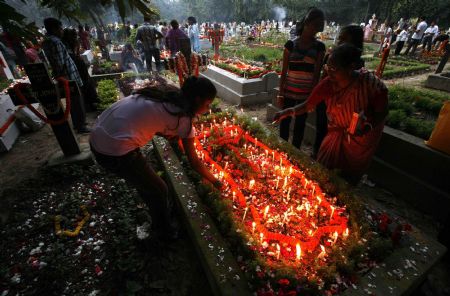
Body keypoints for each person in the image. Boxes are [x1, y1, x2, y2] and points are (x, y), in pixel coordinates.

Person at [89, 76, 222, 241]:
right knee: (160, 189)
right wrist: (217, 182)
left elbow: (152, 120)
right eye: (208, 104)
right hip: (112, 149)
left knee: (146, 183)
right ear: (197, 99)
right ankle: (164, 233)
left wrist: (166, 134)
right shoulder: (183, 119)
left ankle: (154, 207)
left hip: (99, 133)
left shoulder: (165, 94)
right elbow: (194, 162)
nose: (208, 108)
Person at [274, 44, 388, 185]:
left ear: (351, 67)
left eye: (334, 69)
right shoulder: (328, 84)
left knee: (350, 176)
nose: (329, 73)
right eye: (327, 68)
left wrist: (367, 127)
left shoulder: (371, 85)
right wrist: (288, 111)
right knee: (324, 171)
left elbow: (382, 112)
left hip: (360, 139)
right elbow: (307, 105)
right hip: (336, 133)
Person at [277, 8, 325, 149]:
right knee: (284, 123)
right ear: (306, 23)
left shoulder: (319, 48)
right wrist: (280, 93)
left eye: (318, 27)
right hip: (288, 92)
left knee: (300, 126)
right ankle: (283, 150)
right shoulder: (290, 45)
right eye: (314, 26)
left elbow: (316, 75)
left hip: (305, 95)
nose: (315, 30)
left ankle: (295, 153)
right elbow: (284, 71)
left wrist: (312, 99)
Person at [313, 24, 364, 159]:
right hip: (326, 103)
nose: (339, 42)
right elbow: (323, 83)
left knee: (341, 144)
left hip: (346, 115)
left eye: (343, 39)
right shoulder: (331, 57)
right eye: (339, 39)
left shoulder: (360, 72)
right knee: (321, 131)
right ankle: (319, 156)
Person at [41, 17, 90, 133]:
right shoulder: (56, 42)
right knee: (76, 100)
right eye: (60, 28)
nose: (62, 31)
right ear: (54, 29)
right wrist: (64, 78)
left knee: (73, 101)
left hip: (64, 76)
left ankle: (78, 123)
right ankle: (81, 125)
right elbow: (59, 62)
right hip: (68, 76)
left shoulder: (46, 41)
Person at [62, 28, 99, 112]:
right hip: (77, 70)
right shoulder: (70, 48)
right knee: (85, 84)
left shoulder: (67, 46)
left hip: (77, 69)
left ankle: (89, 103)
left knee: (86, 84)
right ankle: (89, 104)